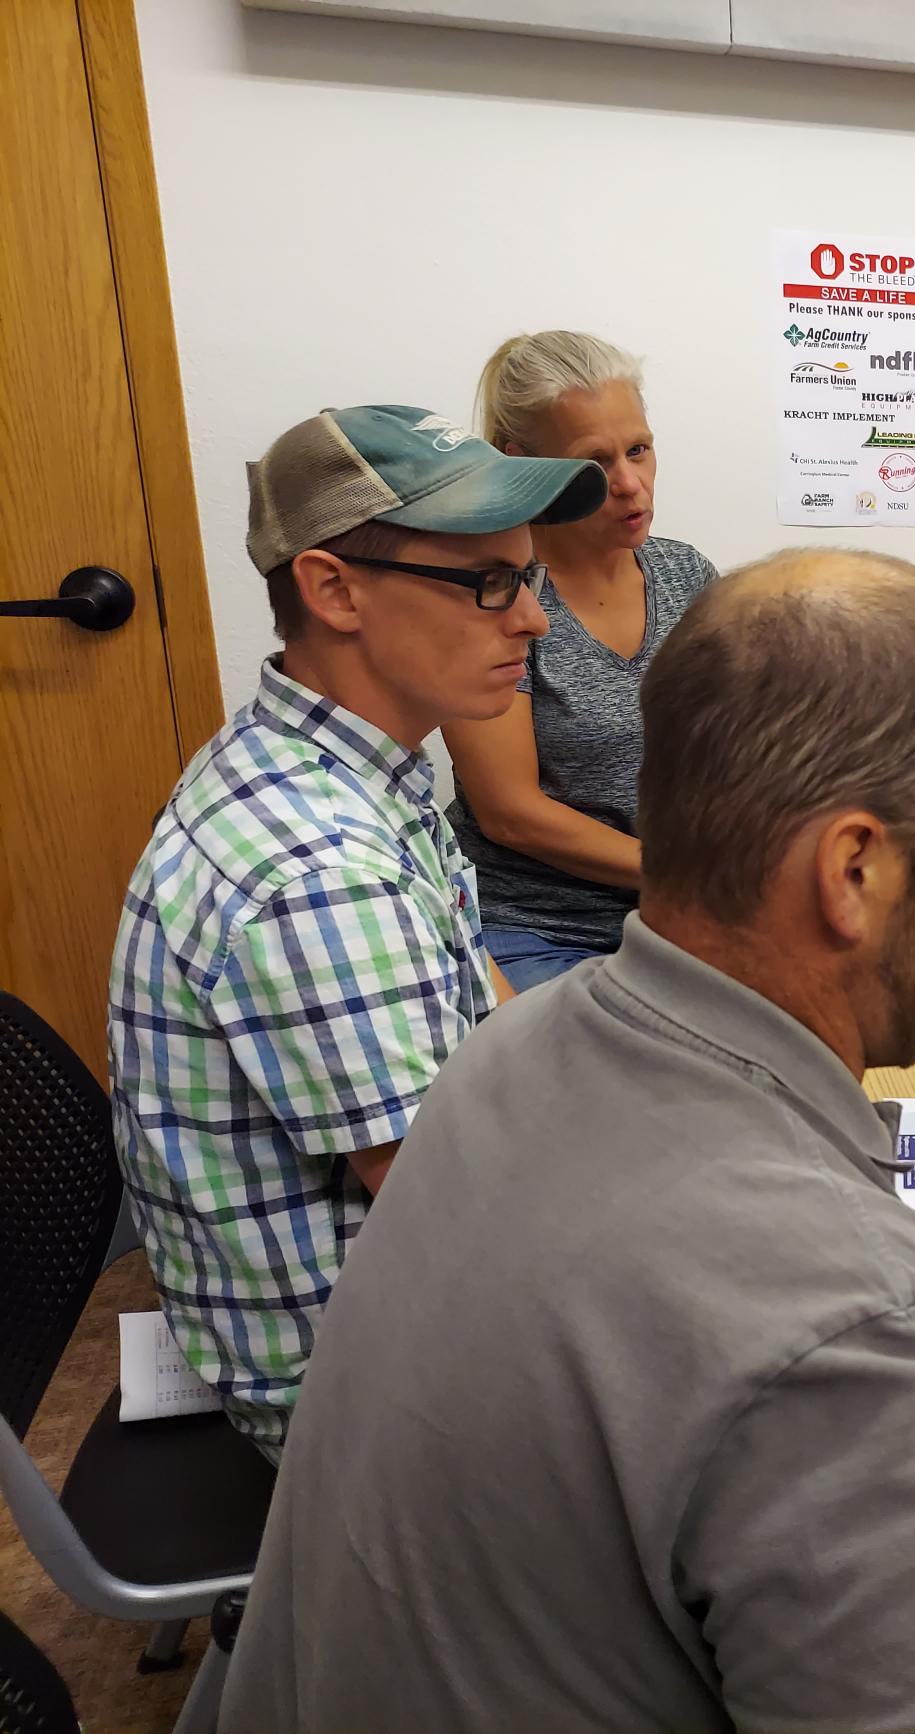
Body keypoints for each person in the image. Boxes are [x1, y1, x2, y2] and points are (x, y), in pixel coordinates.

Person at [222, 551, 915, 1733]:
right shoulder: (842, 1325)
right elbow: (831, 1322)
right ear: (855, 871)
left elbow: (798, 1310)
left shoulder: (525, 1045)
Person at [107, 405, 603, 1458]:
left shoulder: (348, 758)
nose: (533, 623)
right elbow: (469, 1201)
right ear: (334, 590)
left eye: (529, 579)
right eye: (489, 584)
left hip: (405, 1279)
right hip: (364, 1389)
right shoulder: (315, 871)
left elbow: (474, 991)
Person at [443, 331, 719, 988]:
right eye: (594, 464)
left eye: (639, 450)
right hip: (535, 925)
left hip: (675, 916)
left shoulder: (687, 575)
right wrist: (695, 878)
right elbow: (510, 812)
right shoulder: (492, 597)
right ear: (522, 463)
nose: (629, 484)